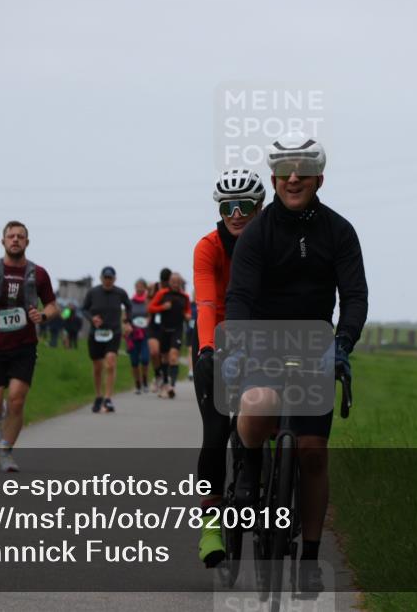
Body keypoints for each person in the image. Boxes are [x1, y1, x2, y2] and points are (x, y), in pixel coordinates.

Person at [225, 134, 368, 592]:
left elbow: (355, 296)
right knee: (260, 402)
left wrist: (343, 343)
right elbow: (240, 296)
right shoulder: (257, 234)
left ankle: (307, 557)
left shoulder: (339, 232)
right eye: (285, 172)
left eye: (302, 172)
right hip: (263, 345)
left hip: (315, 349)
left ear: (318, 179)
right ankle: (249, 466)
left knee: (312, 452)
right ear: (273, 179)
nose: (293, 179)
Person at [192, 167, 266, 567]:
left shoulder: (273, 239)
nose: (235, 213)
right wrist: (207, 348)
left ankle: (257, 480)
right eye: (227, 207)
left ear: (260, 206)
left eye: (245, 206)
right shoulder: (207, 246)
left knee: (266, 414)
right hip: (215, 337)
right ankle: (209, 527)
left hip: (260, 335)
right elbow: (205, 303)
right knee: (216, 431)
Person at [0, 221, 58, 472]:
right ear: (3, 241)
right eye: (11, 236)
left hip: (24, 346)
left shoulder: (38, 274)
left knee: (17, 400)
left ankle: (6, 452)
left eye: (20, 236)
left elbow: (52, 305)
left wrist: (44, 316)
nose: (15, 240)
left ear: (27, 242)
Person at [83, 266, 133, 413]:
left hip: (114, 333)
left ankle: (108, 398)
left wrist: (126, 321)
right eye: (105, 277)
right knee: (98, 367)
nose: (108, 280)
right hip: (96, 334)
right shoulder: (93, 292)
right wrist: (92, 319)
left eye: (110, 278)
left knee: (110, 363)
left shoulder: (120, 293)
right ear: (101, 278)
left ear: (114, 279)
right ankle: (98, 396)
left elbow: (129, 307)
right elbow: (83, 309)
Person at [147, 272, 190, 398]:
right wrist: (162, 307)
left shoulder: (185, 296)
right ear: (169, 282)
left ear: (180, 283)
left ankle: (172, 385)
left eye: (178, 281)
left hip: (177, 329)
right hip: (164, 329)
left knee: (173, 355)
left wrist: (187, 315)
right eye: (173, 281)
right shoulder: (162, 293)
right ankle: (165, 382)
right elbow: (150, 308)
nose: (175, 283)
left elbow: (187, 310)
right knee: (164, 357)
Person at [146, 268, 171, 392]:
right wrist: (161, 307)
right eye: (164, 282)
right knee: (154, 352)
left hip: (166, 325)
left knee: (164, 354)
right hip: (153, 325)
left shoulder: (172, 290)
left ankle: (165, 379)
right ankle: (157, 375)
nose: (166, 285)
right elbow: (148, 306)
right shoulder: (153, 287)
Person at [126, 279, 152, 394]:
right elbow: (125, 318)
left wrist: (148, 320)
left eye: (141, 286)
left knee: (145, 359)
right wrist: (127, 326)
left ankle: (145, 380)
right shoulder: (130, 302)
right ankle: (137, 383)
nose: (139, 288)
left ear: (145, 288)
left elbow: (151, 315)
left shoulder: (148, 301)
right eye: (137, 286)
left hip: (145, 334)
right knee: (134, 362)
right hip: (133, 335)